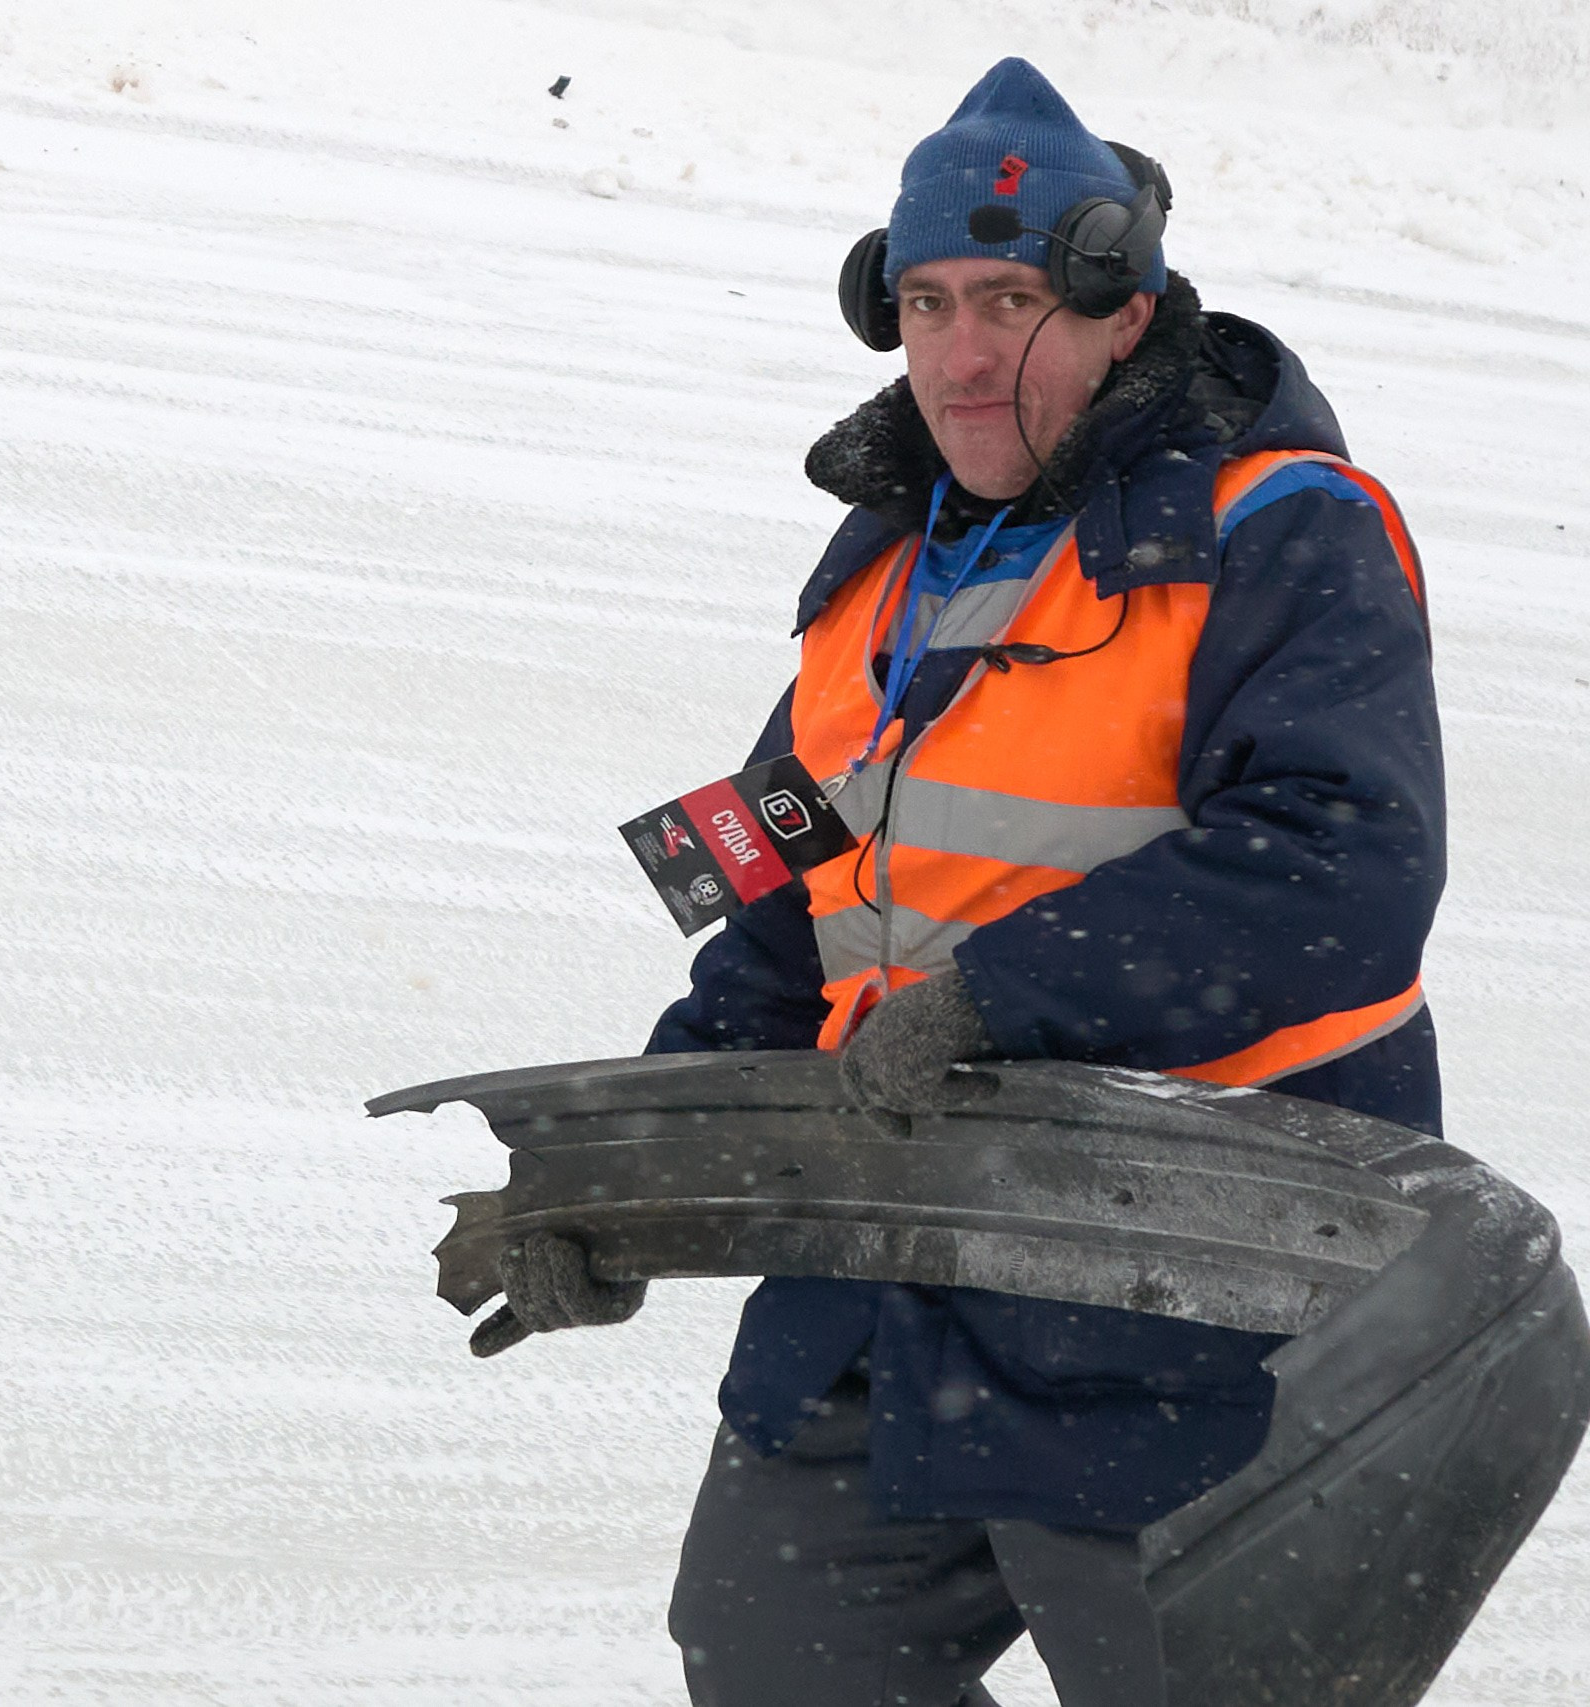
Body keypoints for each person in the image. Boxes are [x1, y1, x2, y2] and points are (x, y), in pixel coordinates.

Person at [483, 57, 1446, 1707]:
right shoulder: (879, 578)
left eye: (1010, 300)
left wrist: (998, 997)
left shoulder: (1281, 531)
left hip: (1185, 1286)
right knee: (778, 1660)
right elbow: (790, 915)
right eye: (926, 303)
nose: (964, 355)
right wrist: (622, 1178)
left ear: (1122, 307)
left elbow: (1342, 863)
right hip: (890, 1270)